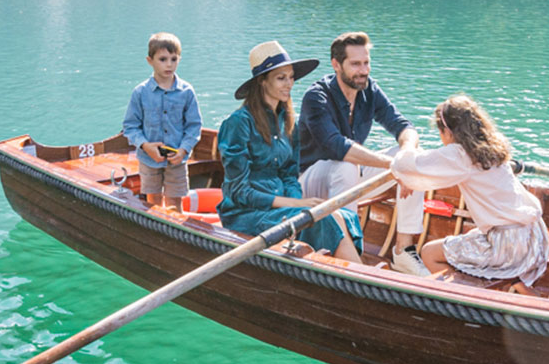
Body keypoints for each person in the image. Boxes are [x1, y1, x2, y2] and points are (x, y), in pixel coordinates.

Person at [217, 41, 361, 261]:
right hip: (245, 215)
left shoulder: (289, 123)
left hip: (280, 210)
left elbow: (289, 176)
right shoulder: (238, 123)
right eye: (281, 78)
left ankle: (351, 269)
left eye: (291, 77)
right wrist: (296, 205)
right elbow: (239, 192)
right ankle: (355, 272)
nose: (289, 84)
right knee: (324, 218)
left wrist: (299, 205)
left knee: (341, 215)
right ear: (262, 81)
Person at [390, 94, 549, 288]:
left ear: (447, 132)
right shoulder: (493, 147)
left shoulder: (459, 154)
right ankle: (523, 292)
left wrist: (406, 154)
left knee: (429, 253)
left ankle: (461, 294)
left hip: (506, 247)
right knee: (473, 236)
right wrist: (412, 180)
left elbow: (405, 164)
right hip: (533, 236)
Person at [296, 32, 426, 264]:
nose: (364, 70)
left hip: (348, 178)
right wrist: (393, 165)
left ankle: (404, 250)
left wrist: (406, 156)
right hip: (307, 183)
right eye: (356, 64)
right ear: (336, 65)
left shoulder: (369, 90)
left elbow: (403, 126)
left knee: (414, 157)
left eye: (366, 63)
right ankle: (350, 252)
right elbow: (337, 146)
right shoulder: (316, 97)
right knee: (347, 165)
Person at [122, 32, 201, 206]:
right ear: (150, 60)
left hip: (177, 159)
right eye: (163, 59)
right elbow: (130, 126)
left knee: (175, 202)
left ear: (179, 59)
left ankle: (174, 223)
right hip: (149, 159)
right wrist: (146, 146)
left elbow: (194, 126)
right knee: (153, 201)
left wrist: (183, 150)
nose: (169, 64)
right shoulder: (140, 92)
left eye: (174, 59)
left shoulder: (187, 92)